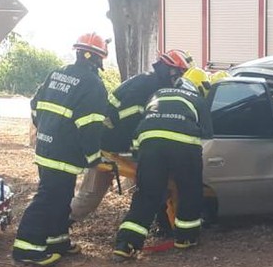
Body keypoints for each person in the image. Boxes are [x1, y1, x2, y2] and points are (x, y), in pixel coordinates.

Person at [12, 33, 110, 267]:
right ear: (98, 59)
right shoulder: (93, 84)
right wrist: (94, 157)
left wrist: (46, 130)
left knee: (61, 197)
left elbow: (35, 106)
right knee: (49, 197)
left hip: (46, 146)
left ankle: (57, 241)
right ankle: (26, 248)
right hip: (64, 152)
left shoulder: (57, 73)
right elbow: (90, 126)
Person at [69, 49, 196, 222]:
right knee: (89, 196)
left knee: (156, 185)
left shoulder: (153, 83)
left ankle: (162, 223)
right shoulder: (146, 86)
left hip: (118, 142)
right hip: (110, 145)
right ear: (168, 69)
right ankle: (57, 224)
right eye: (178, 73)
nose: (179, 79)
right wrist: (140, 150)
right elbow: (130, 122)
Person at [113, 68, 214, 261]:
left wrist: (141, 157)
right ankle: (185, 238)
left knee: (146, 194)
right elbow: (207, 134)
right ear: (200, 88)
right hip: (184, 145)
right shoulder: (198, 99)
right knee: (190, 190)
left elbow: (144, 122)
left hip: (149, 143)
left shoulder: (158, 93)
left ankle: (125, 244)